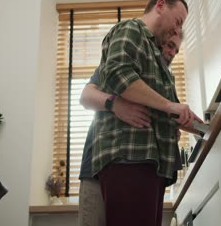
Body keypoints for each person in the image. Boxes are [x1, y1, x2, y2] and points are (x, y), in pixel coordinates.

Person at [93, 0, 202, 226]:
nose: (177, 29)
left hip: (151, 163)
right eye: (178, 21)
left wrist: (208, 129)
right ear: (160, 5)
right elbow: (116, 73)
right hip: (129, 156)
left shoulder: (157, 57)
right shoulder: (132, 29)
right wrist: (168, 105)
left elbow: (175, 112)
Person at [78, 34, 184, 226]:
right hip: (97, 167)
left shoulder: (160, 83)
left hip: (142, 169)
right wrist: (115, 104)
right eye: (169, 45)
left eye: (176, 50)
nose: (172, 53)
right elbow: (86, 96)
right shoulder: (117, 67)